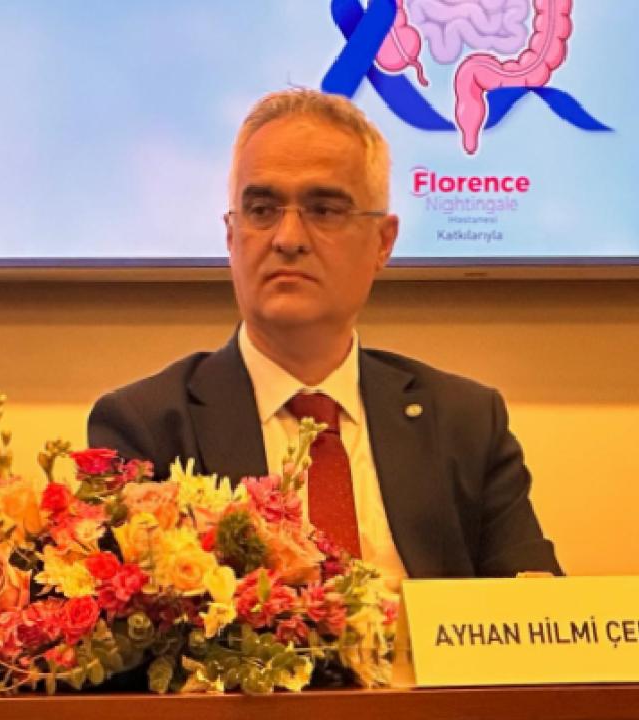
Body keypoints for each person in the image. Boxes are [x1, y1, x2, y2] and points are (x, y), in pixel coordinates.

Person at [88, 88, 560, 587]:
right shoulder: (147, 429)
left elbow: (534, 613)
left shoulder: (465, 422)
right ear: (231, 236)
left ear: (383, 242)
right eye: (262, 209)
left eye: (325, 210)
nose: (288, 238)